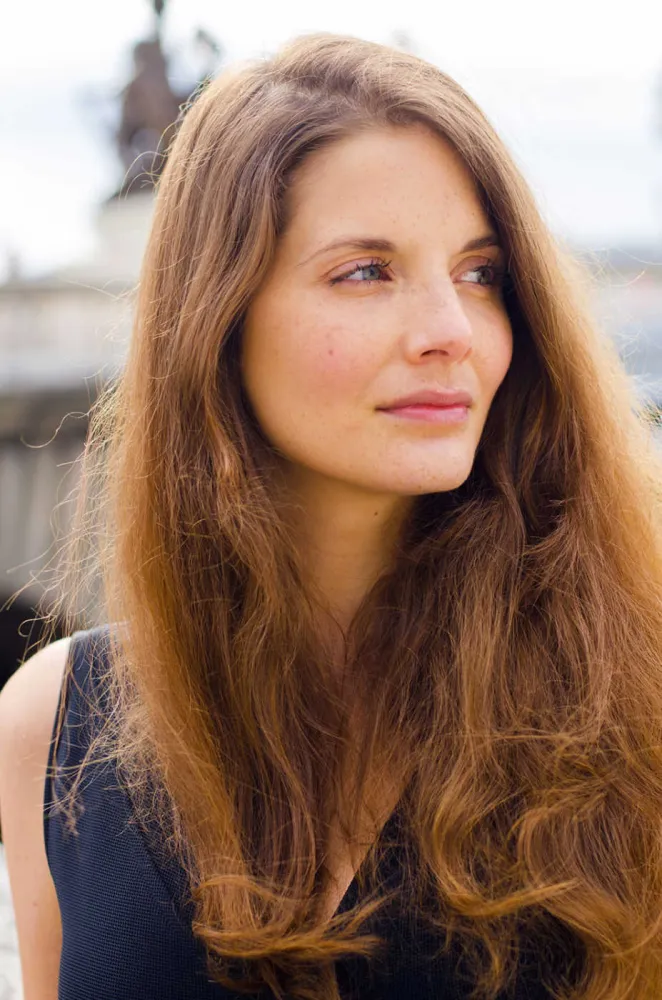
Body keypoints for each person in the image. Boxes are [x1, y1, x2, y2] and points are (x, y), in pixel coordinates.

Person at [2, 30, 662, 1000]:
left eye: (480, 273)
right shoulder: (55, 726)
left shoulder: (634, 691)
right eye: (365, 271)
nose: (450, 331)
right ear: (219, 321)